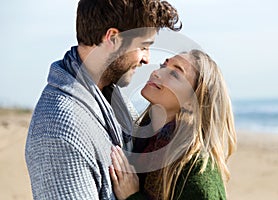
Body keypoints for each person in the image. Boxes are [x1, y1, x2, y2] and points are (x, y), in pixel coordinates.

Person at [25, 0, 181, 199]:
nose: (147, 59)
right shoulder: (59, 129)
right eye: (143, 46)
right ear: (113, 38)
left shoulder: (111, 96)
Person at [109, 49, 237, 200]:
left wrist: (132, 196)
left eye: (175, 74)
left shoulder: (198, 169)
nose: (156, 73)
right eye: (164, 66)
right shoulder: (141, 142)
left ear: (192, 103)